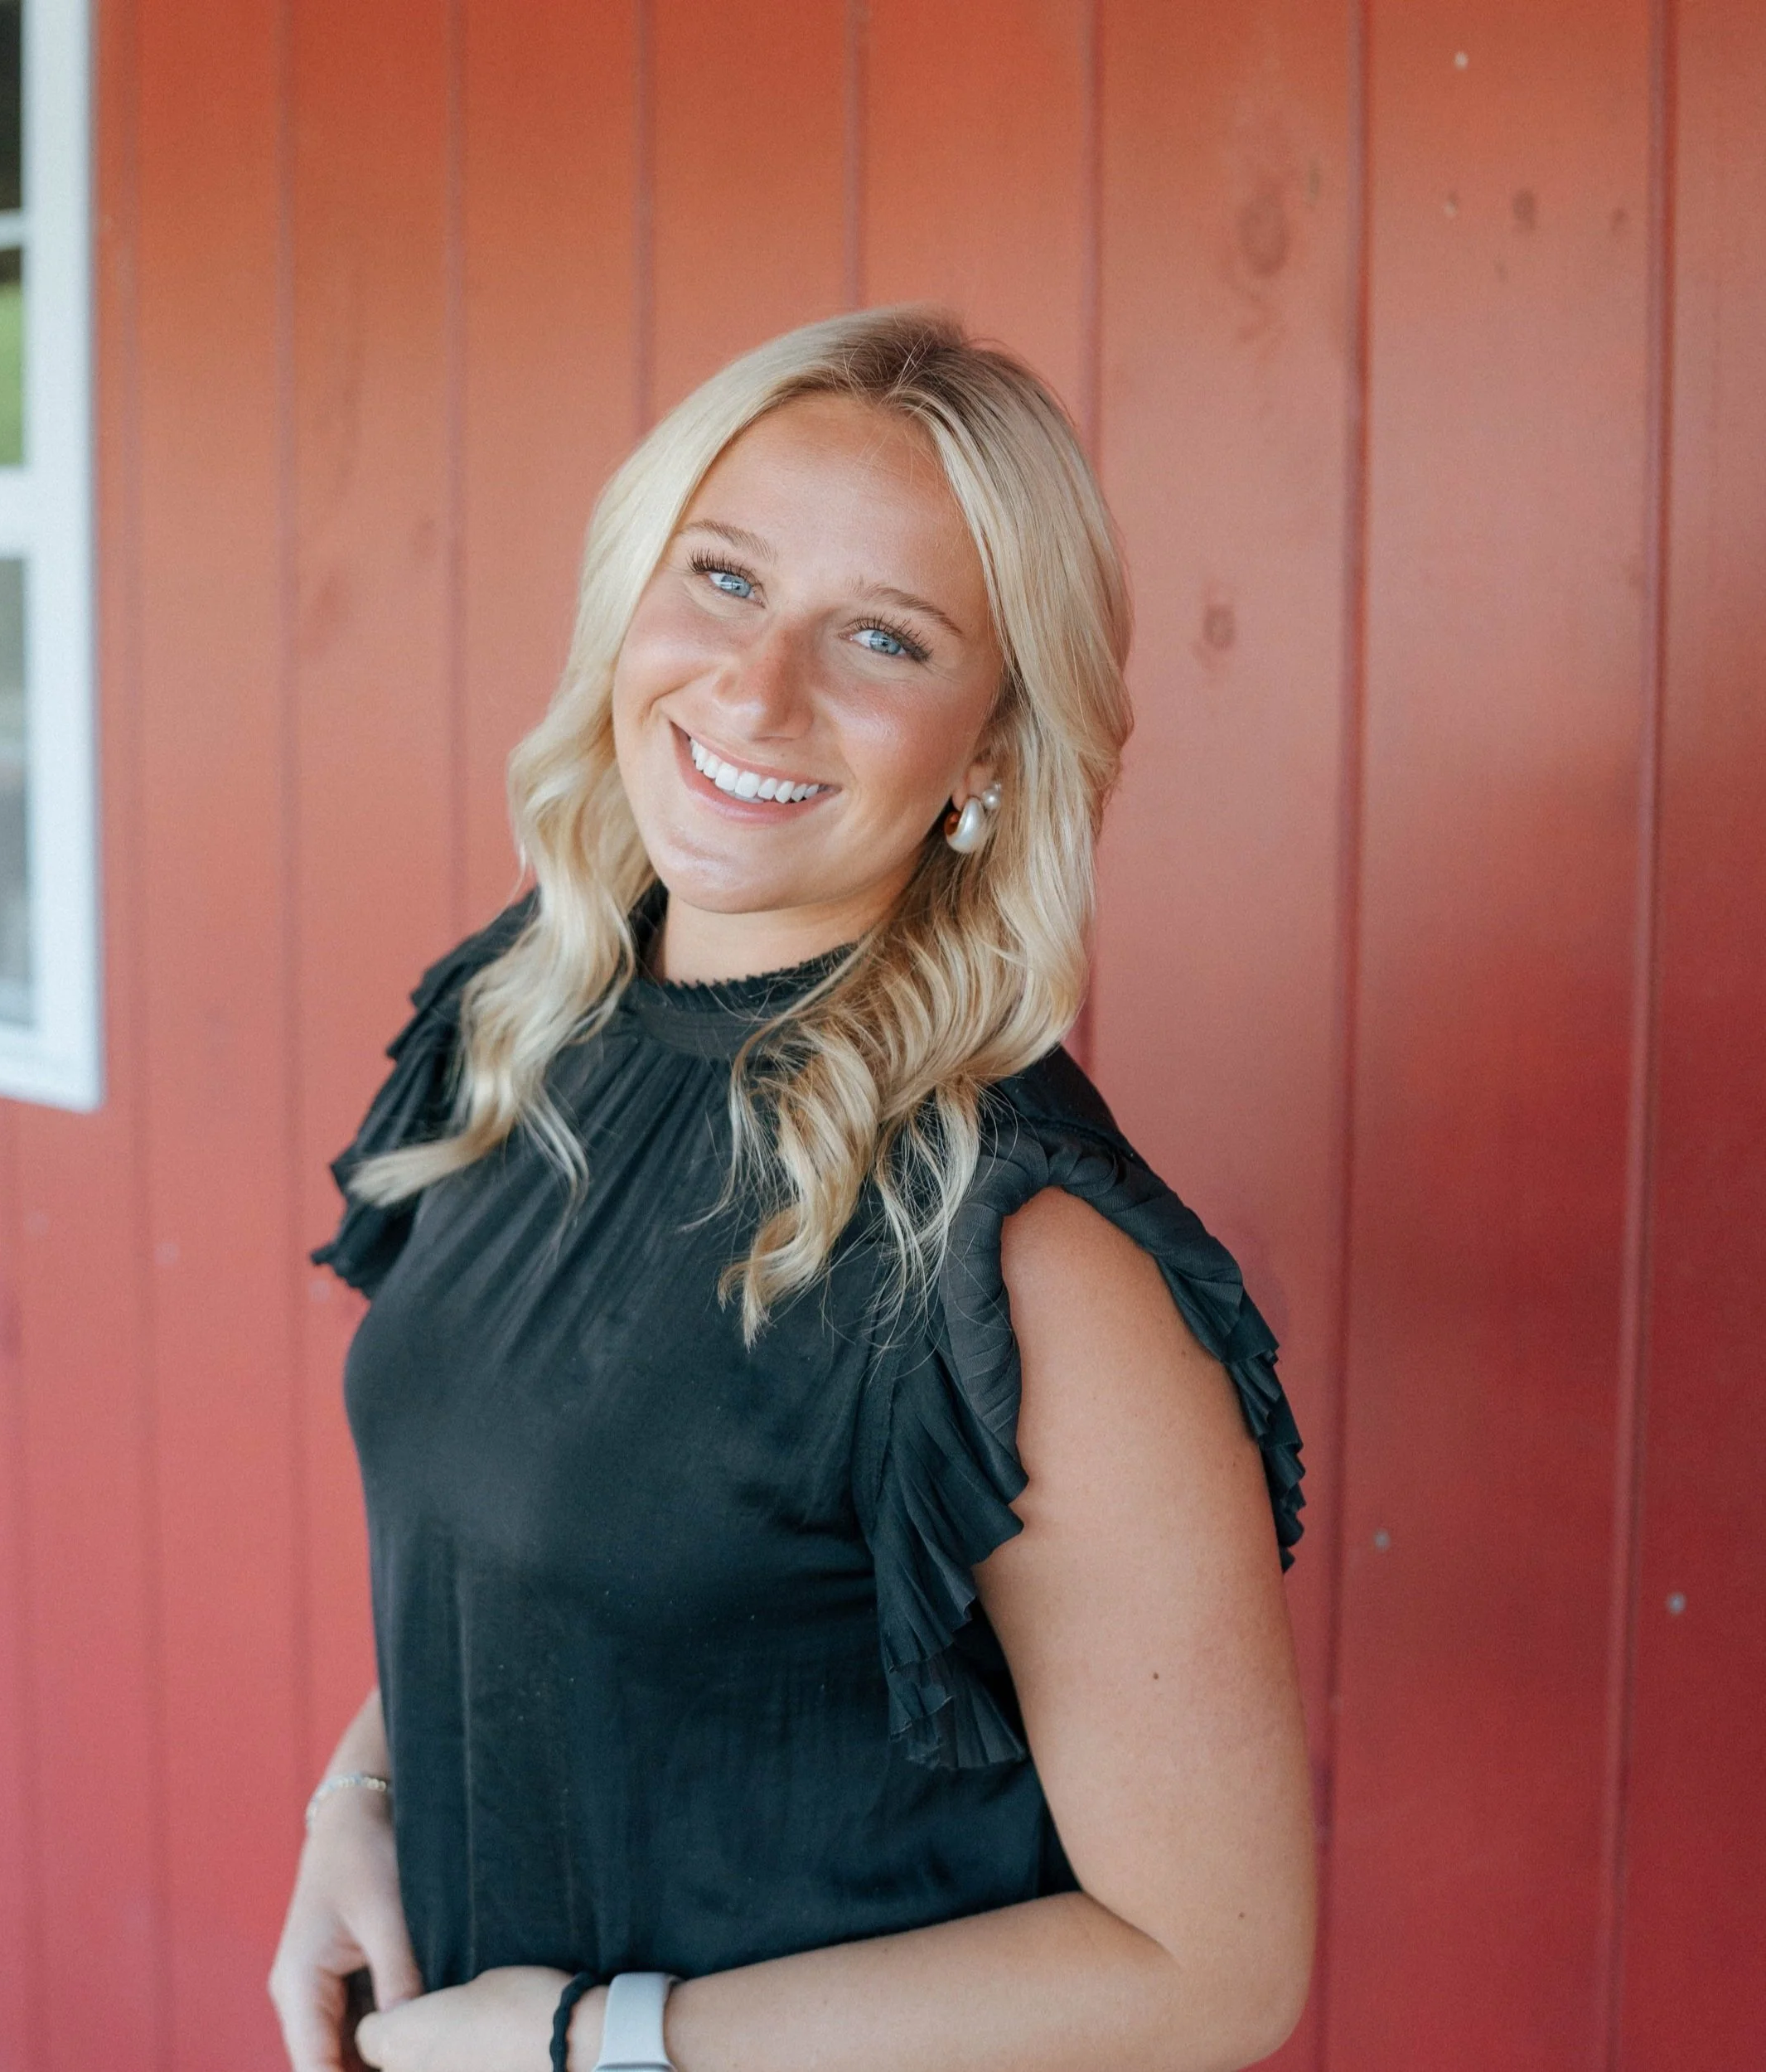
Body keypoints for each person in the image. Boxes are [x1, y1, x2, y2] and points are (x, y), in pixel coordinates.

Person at [270, 307, 1313, 2072]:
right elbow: (563, 1553)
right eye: (726, 579)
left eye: (882, 638)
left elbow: (1207, 1966)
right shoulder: (525, 1020)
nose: (754, 692)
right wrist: (359, 1795)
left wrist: (598, 2042)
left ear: (988, 747)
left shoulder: (1020, 1255)